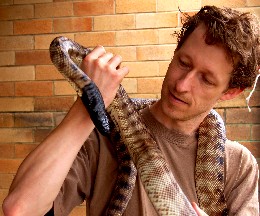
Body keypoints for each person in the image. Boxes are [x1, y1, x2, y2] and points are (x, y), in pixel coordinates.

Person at [3, 5, 260, 216]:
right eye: (183, 62)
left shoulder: (237, 165)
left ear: (230, 92)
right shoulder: (102, 137)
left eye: (206, 79)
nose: (182, 85)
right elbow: (20, 210)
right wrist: (90, 101)